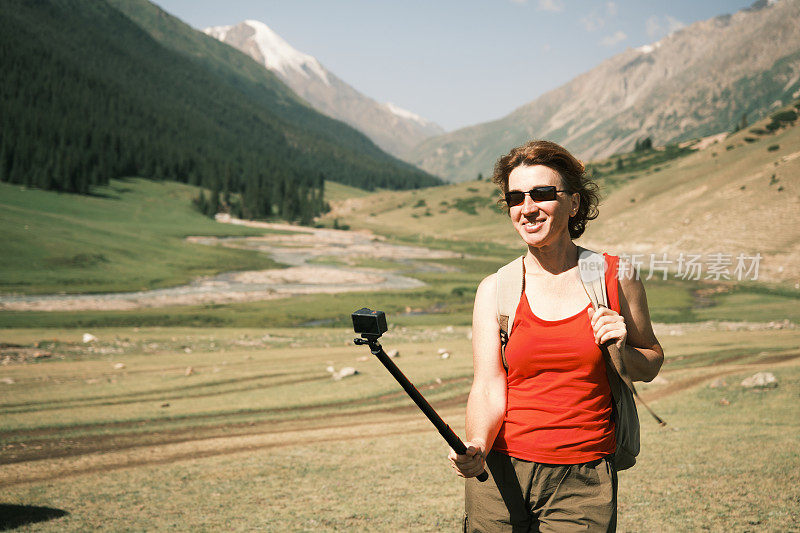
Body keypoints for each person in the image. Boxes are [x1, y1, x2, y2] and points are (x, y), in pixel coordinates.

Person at [448, 140, 664, 532]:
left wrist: (621, 348)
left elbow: (650, 363)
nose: (527, 208)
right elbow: (487, 385)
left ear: (575, 204)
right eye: (516, 197)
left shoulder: (616, 277)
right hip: (499, 475)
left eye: (542, 193)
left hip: (582, 479)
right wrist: (477, 444)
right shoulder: (495, 289)